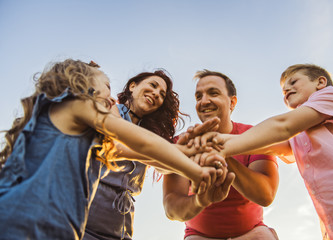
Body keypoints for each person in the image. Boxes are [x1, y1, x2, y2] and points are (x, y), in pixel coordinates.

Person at [0, 59, 222, 239]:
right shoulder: (92, 111)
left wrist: (183, 155)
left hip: (96, 225)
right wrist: (192, 167)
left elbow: (149, 153)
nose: (111, 95)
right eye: (107, 87)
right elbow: (135, 146)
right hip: (45, 220)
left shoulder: (99, 125)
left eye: (162, 94)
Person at [198, 64, 333, 239]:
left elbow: (282, 126)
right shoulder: (301, 131)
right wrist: (208, 143)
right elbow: (267, 144)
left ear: (321, 82)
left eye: (293, 81)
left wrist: (219, 146)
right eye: (283, 90)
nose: (287, 90)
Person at [84, 70, 222, 240]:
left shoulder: (149, 134)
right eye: (153, 85)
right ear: (133, 86)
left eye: (162, 94)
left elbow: (161, 165)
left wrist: (187, 153)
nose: (156, 94)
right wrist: (177, 152)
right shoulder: (109, 108)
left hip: (120, 225)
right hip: (86, 215)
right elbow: (116, 147)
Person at [163, 70, 279, 239]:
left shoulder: (254, 135)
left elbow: (265, 195)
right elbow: (172, 209)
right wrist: (199, 201)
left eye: (213, 93)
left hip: (252, 232)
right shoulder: (182, 143)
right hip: (199, 235)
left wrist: (221, 153)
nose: (204, 101)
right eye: (198, 96)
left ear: (232, 102)